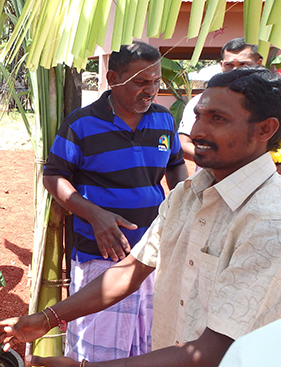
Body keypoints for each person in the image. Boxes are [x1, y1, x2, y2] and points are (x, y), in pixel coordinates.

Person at [0, 68, 281, 367]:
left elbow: (211, 354)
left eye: (217, 119)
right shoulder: (187, 195)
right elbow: (130, 271)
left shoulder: (274, 225)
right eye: (199, 116)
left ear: (265, 129)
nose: (198, 131)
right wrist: (45, 319)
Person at [41, 42, 188, 362]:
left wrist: (182, 207)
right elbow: (53, 177)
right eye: (140, 82)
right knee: (97, 352)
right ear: (112, 78)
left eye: (156, 82)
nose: (150, 90)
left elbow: (176, 165)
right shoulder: (81, 124)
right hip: (100, 258)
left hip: (153, 257)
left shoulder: (164, 120)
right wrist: (95, 215)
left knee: (148, 347)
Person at [179, 37, 281, 174]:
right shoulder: (201, 101)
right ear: (221, 65)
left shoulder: (271, 103)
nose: (235, 70)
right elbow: (184, 143)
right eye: (229, 65)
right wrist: (224, 164)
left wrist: (268, 172)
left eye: (243, 64)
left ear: (258, 64)